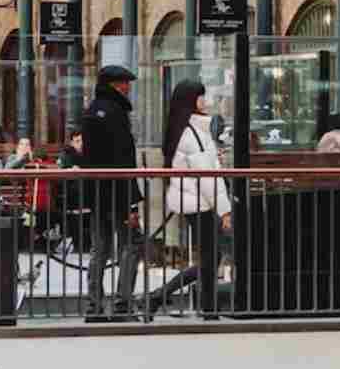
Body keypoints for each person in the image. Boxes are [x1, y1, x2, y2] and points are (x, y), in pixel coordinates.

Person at [148, 78, 232, 317]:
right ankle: (206, 308)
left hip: (194, 202)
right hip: (201, 202)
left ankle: (162, 297)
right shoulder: (193, 133)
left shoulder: (186, 129)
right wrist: (224, 210)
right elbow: (207, 178)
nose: (205, 101)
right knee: (210, 257)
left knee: (210, 257)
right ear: (191, 100)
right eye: (201, 96)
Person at [79, 64, 142, 321]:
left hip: (96, 192)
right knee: (131, 243)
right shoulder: (116, 113)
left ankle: (93, 305)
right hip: (118, 191)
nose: (128, 88)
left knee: (100, 248)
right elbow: (123, 158)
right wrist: (131, 204)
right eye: (125, 83)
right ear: (116, 85)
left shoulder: (91, 111)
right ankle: (122, 302)